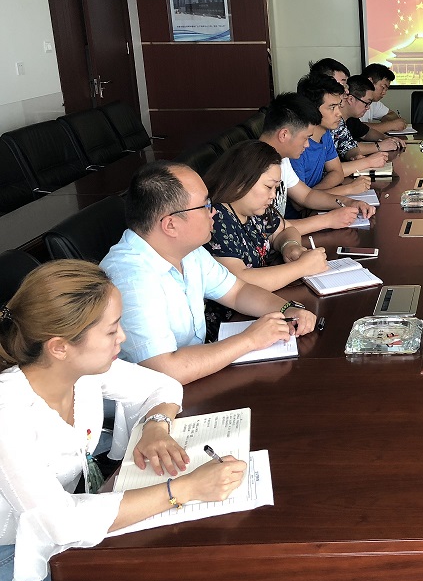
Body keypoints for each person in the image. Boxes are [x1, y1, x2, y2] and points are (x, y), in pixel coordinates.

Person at [0, 260, 245, 581]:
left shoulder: (77, 370)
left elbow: (163, 385)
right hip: (16, 544)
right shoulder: (9, 414)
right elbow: (59, 523)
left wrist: (155, 425)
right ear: (59, 347)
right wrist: (186, 489)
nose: (123, 337)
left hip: (71, 506)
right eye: (111, 330)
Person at [100, 161, 317, 385]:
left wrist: (287, 309)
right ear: (170, 225)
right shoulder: (131, 278)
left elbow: (238, 292)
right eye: (205, 206)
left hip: (196, 376)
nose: (213, 212)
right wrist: (250, 339)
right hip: (155, 398)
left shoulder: (187, 251)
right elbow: (165, 369)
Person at [202, 141, 330, 337]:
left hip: (260, 307)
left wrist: (290, 246)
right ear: (241, 181)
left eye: (276, 188)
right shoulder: (216, 219)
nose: (273, 196)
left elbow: (285, 230)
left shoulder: (254, 209)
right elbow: (240, 280)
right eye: (269, 187)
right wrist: (302, 267)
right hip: (231, 323)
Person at [257, 92, 376, 230]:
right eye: (305, 138)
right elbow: (267, 230)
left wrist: (349, 202)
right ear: (284, 134)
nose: (307, 145)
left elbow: (306, 196)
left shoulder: (282, 160)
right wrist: (328, 220)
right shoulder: (254, 167)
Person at [292, 71, 387, 189]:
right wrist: (349, 189)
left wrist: (317, 194)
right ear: (312, 109)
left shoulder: (325, 134)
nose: (339, 113)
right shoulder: (297, 145)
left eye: (338, 106)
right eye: (332, 107)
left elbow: (337, 172)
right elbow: (304, 197)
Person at [361, 63, 408, 133]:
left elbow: (391, 114)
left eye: (386, 89)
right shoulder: (353, 99)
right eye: (383, 87)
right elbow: (355, 127)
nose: (384, 92)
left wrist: (389, 123)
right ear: (370, 81)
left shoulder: (373, 102)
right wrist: (390, 125)